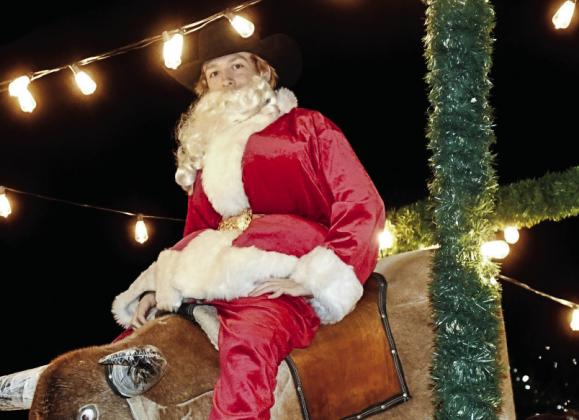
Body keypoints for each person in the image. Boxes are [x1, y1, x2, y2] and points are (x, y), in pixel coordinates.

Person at [111, 18, 385, 420]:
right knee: (127, 350)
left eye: (237, 65)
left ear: (263, 70)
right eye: (213, 73)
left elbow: (361, 204)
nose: (226, 78)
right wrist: (159, 288)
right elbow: (197, 233)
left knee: (248, 347)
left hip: (278, 277)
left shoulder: (306, 127)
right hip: (209, 278)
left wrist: (315, 277)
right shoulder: (207, 158)